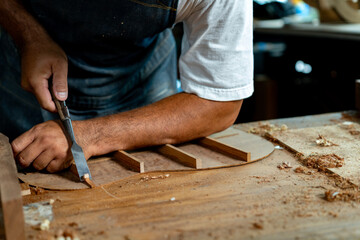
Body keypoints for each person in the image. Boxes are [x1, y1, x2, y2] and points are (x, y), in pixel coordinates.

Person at [0, 0, 253, 173]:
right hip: (26, 67)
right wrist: (28, 36)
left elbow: (219, 102)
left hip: (144, 78)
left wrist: (91, 135)